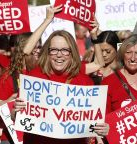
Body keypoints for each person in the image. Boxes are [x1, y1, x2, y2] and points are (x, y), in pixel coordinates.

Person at [13, 5, 109, 144]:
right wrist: (47, 20)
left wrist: (102, 130)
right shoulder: (34, 78)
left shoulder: (84, 81)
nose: (59, 55)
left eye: (65, 50)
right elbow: (25, 51)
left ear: (72, 53)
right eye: (54, 50)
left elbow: (93, 124)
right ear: (47, 52)